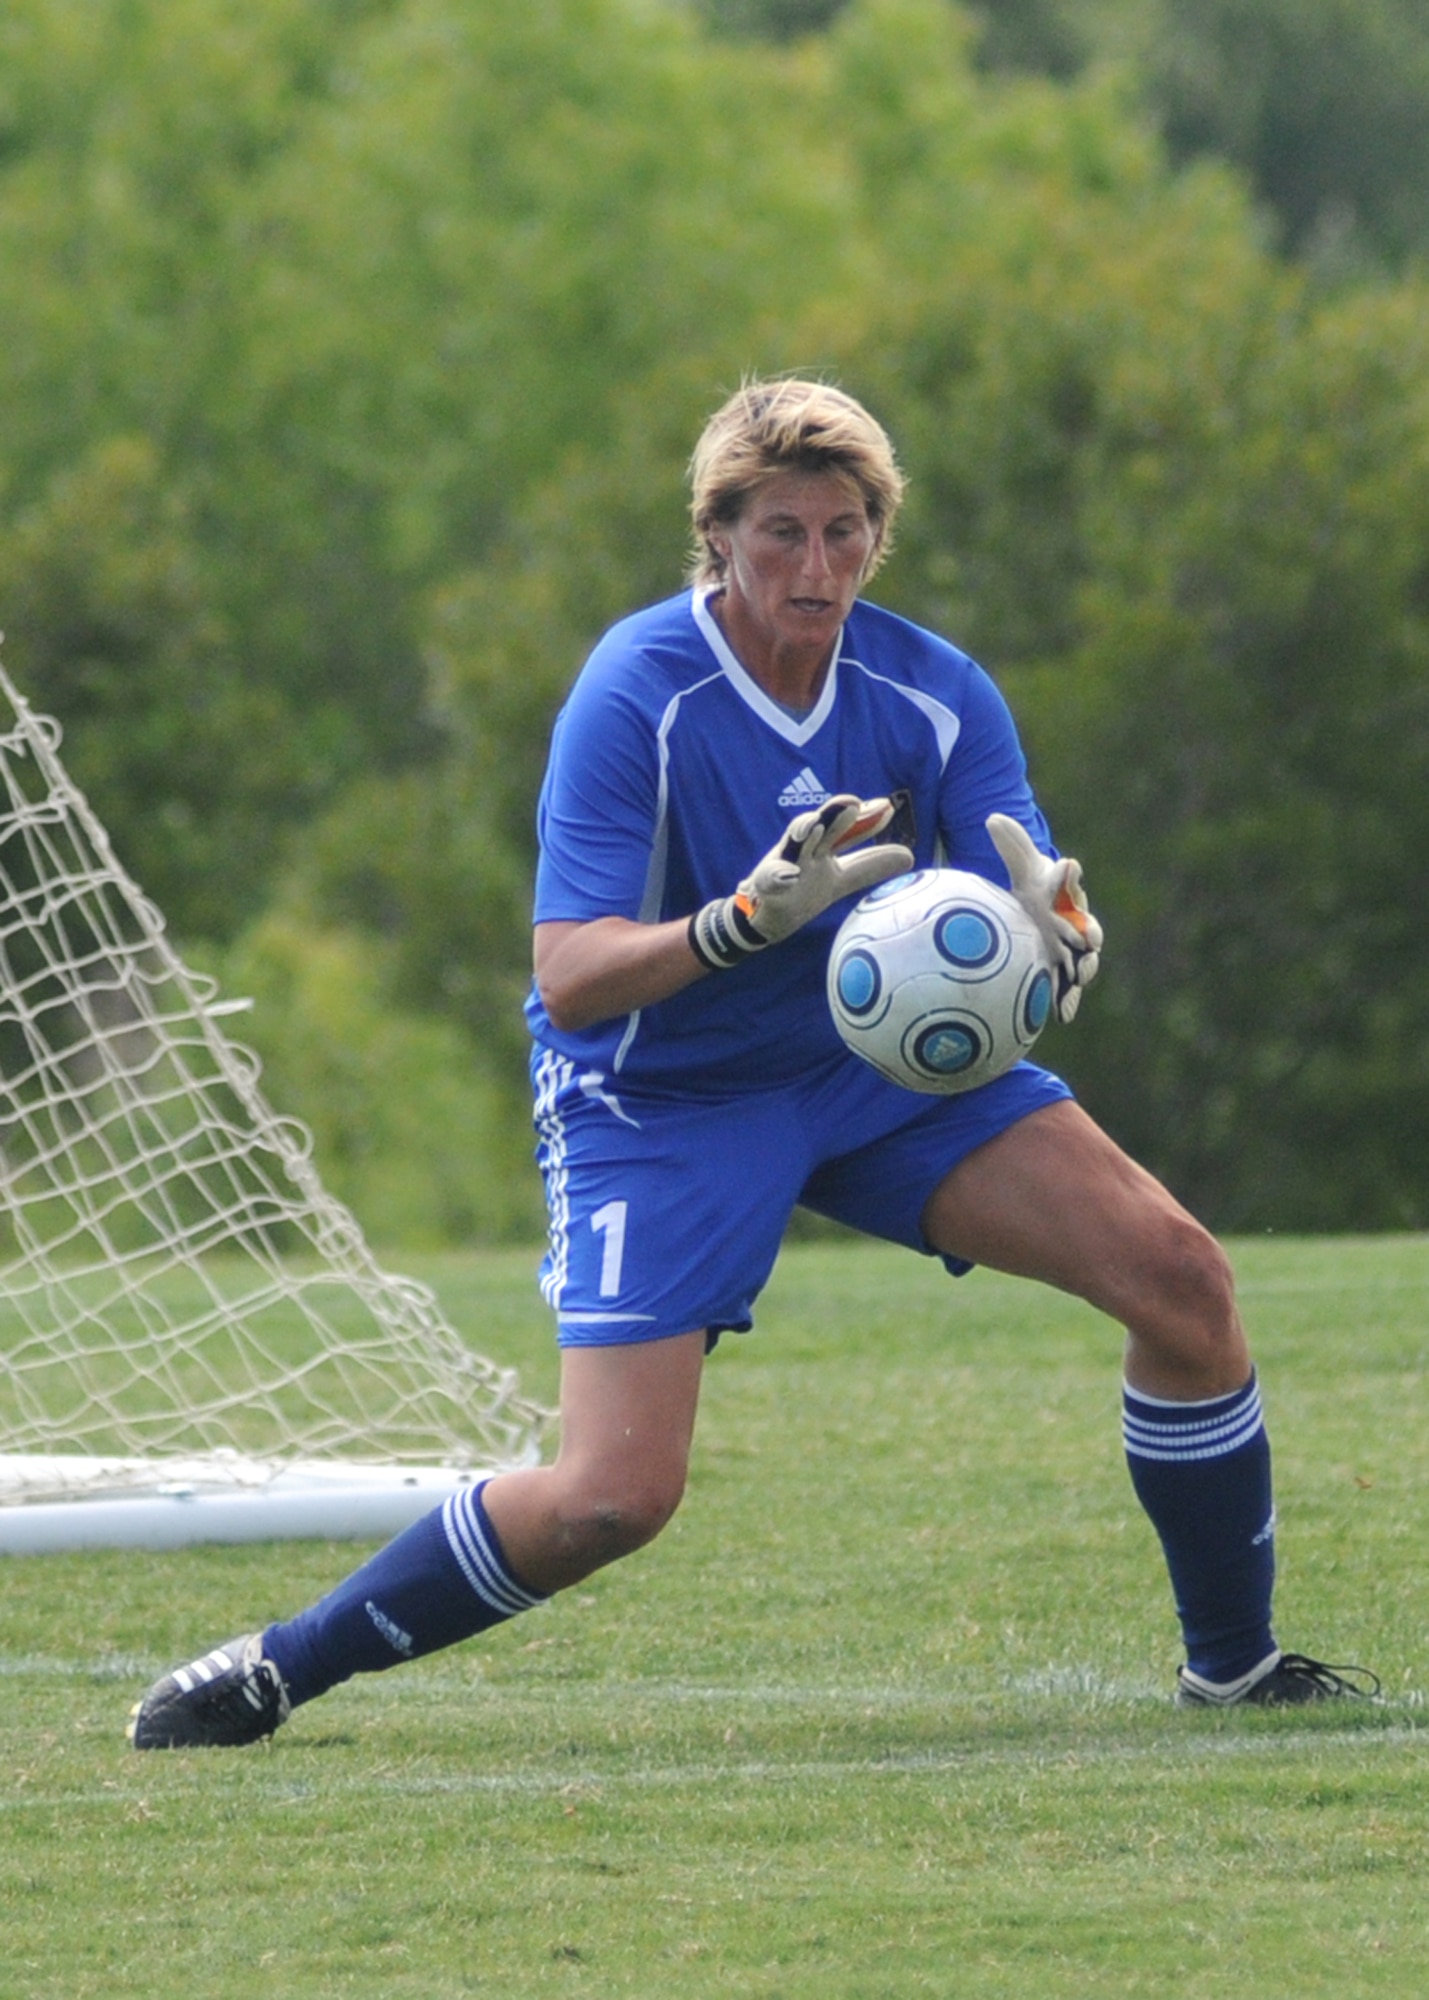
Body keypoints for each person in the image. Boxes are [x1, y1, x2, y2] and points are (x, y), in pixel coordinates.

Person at [128, 377, 1376, 1750]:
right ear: (714, 538)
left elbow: (1023, 874)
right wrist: (736, 924)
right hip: (661, 1093)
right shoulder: (637, 693)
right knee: (610, 1499)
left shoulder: (932, 690)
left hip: (872, 1074)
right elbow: (568, 973)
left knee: (1183, 1282)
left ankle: (1235, 1674)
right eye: (779, 532)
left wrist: (1057, 925)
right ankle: (274, 1666)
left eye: (844, 532)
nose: (815, 566)